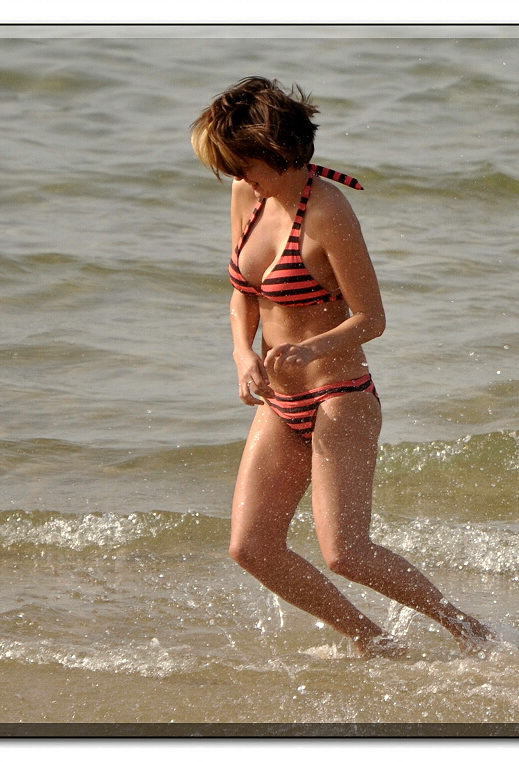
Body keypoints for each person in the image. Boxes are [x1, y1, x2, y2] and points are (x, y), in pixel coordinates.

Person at [190, 77, 493, 656]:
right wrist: (242, 354)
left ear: (277, 151)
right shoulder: (245, 196)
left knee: (345, 551)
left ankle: (466, 628)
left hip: (341, 394)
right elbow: (242, 293)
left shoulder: (328, 211)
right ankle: (374, 642)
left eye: (246, 163)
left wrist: (312, 349)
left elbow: (372, 318)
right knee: (251, 548)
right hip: (281, 400)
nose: (240, 176)